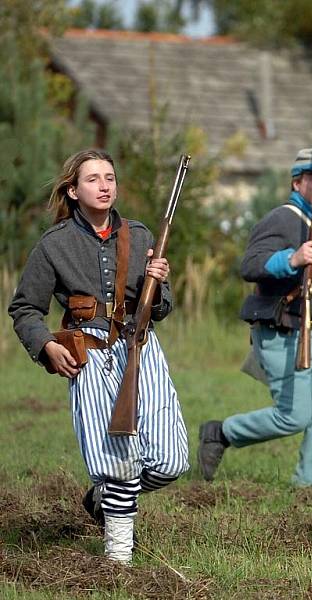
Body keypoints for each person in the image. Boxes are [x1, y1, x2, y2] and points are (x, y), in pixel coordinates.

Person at [7, 149, 190, 564]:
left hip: (141, 348)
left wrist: (159, 284)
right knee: (118, 462)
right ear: (73, 191)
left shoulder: (141, 235)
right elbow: (24, 309)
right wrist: (47, 346)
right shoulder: (54, 245)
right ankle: (118, 562)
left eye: (109, 177)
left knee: (172, 460)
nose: (104, 185)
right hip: (88, 354)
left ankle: (101, 498)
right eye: (92, 179)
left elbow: (161, 309)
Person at [197, 148, 312, 487]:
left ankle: (308, 487)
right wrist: (291, 259)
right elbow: (250, 266)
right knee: (293, 417)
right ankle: (221, 433)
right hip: (283, 334)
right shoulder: (281, 219)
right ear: (297, 182)